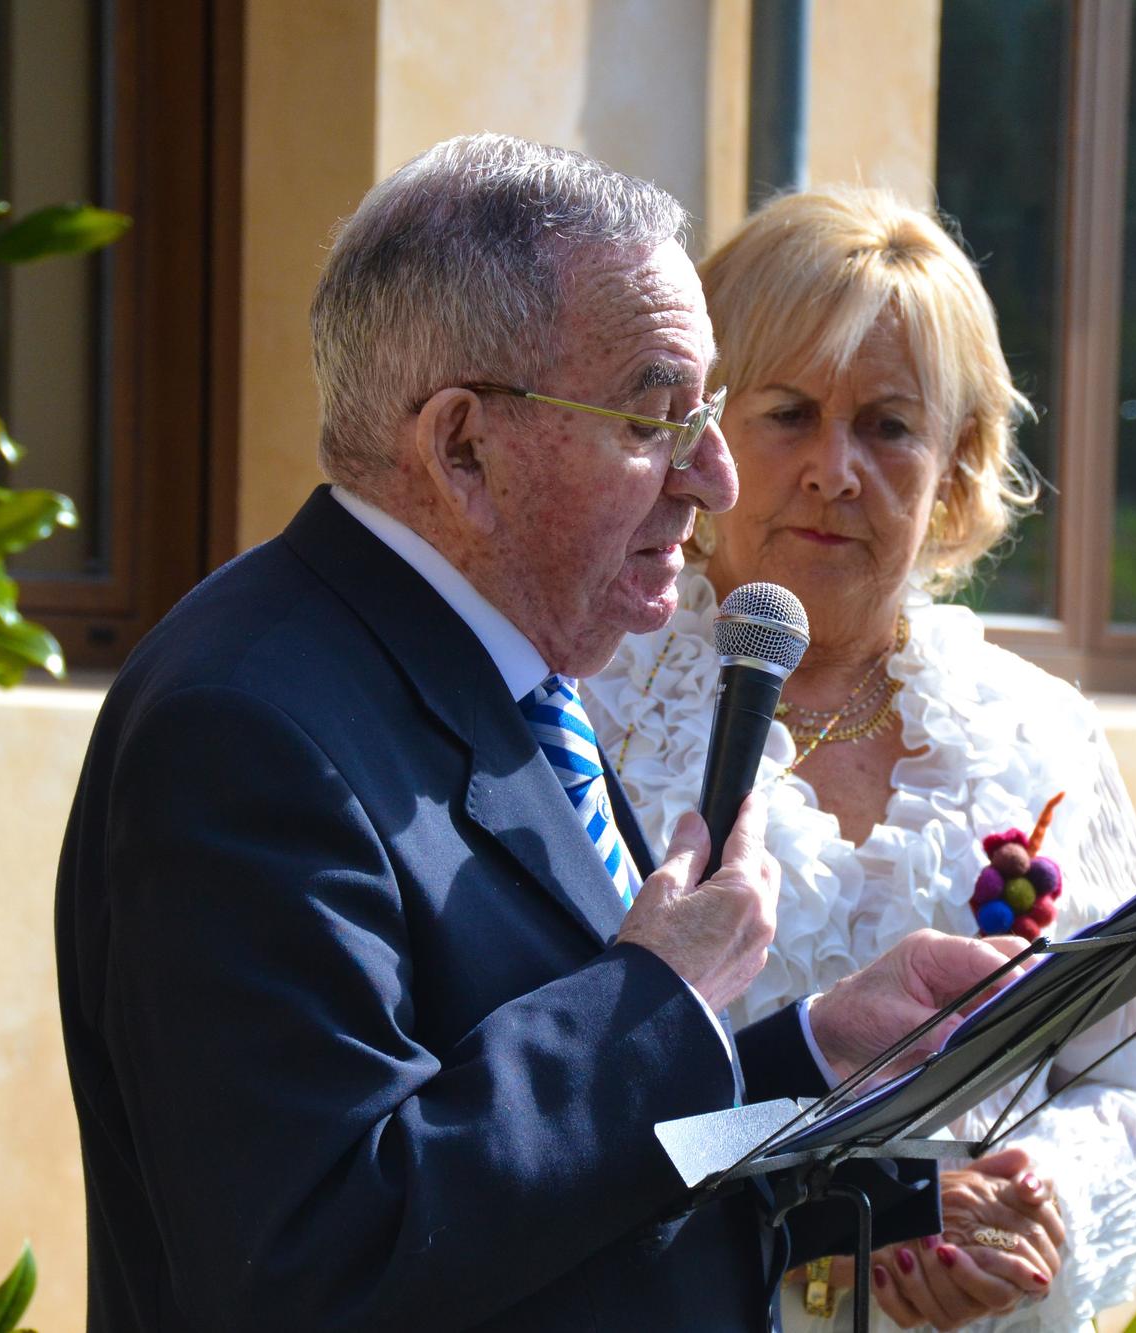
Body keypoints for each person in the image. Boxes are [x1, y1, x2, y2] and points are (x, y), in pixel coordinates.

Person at [54, 137, 1018, 1332]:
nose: (712, 477)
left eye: (710, 414)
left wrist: (810, 1061)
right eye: (655, 416)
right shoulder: (244, 731)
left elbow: (577, 1178)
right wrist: (654, 996)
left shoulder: (512, 680)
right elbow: (314, 1255)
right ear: (461, 447)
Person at [583, 187, 1136, 1331]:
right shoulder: (593, 706)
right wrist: (865, 1210)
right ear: (702, 433)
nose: (834, 468)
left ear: (957, 462)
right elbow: (557, 1114)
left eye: (887, 425)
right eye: (786, 413)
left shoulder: (1038, 733)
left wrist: (1042, 1204)